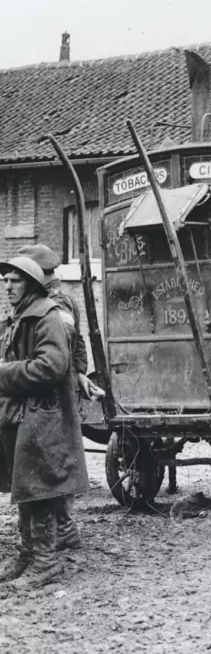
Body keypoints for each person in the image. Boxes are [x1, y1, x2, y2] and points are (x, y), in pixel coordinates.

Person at [0, 256, 89, 589]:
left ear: (32, 285)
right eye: (5, 280)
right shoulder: (20, 316)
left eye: (15, 281)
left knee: (39, 491)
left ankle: (46, 564)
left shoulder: (47, 316)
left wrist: (4, 372)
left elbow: (50, 367)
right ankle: (28, 555)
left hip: (42, 417)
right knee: (26, 490)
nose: (7, 286)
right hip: (21, 414)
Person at [18, 243, 103, 551]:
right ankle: (64, 529)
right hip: (61, 387)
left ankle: (64, 530)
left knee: (52, 463)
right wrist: (81, 371)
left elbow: (67, 342)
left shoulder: (55, 303)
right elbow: (79, 343)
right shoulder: (58, 298)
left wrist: (75, 374)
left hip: (53, 393)